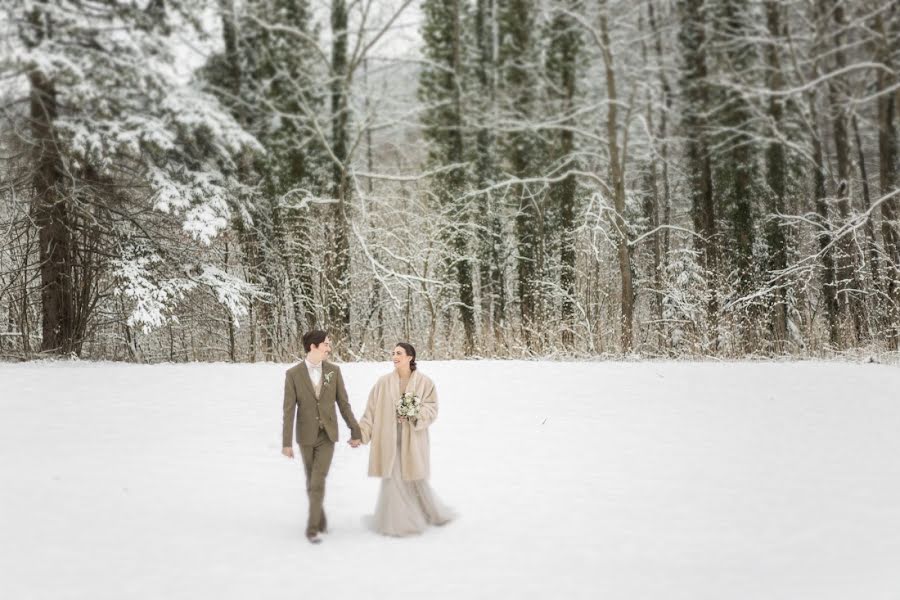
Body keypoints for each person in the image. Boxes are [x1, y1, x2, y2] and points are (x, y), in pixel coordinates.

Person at [358, 342, 454, 536]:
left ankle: (429, 512)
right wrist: (360, 434)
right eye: (393, 353)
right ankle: (398, 524)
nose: (394, 356)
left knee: (414, 478)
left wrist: (414, 413)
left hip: (413, 439)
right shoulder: (383, 382)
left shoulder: (425, 382)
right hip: (388, 438)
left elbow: (432, 408)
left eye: (399, 353)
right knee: (393, 478)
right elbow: (371, 412)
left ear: (410, 357)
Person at [281, 330, 361, 544]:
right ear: (313, 347)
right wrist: (286, 443)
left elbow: (343, 404)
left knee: (317, 480)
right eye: (326, 344)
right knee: (311, 481)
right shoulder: (293, 374)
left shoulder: (334, 371)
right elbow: (289, 411)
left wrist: (355, 430)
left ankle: (312, 528)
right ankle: (321, 519)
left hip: (328, 435)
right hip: (305, 436)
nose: (329, 348)